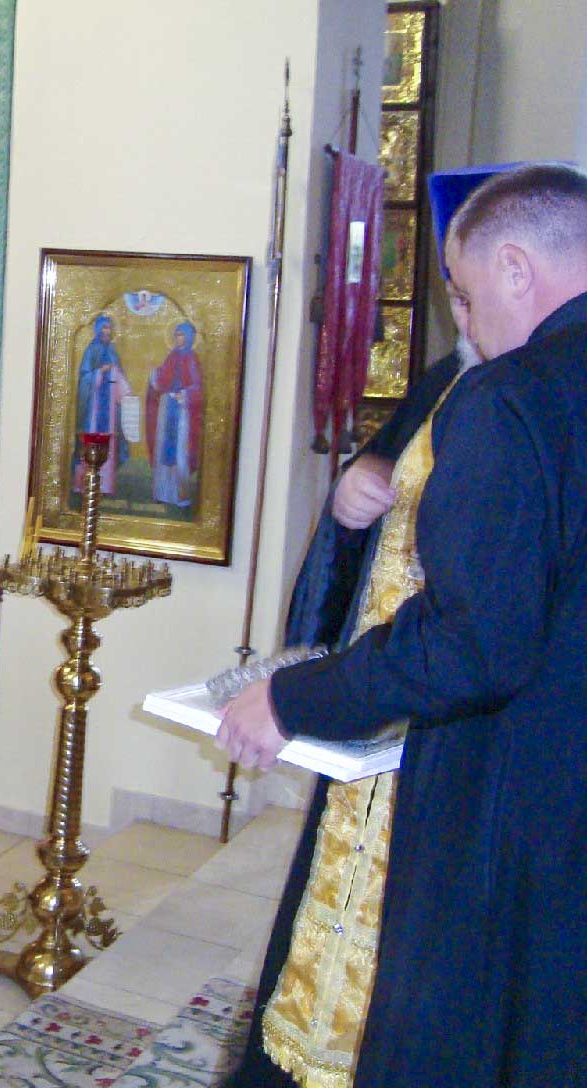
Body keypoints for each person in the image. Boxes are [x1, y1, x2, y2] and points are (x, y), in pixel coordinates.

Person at [218, 163, 587, 1087]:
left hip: (518, 799)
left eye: (463, 292)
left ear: (514, 267)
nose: (466, 322)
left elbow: (474, 644)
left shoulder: (514, 396)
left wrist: (294, 698)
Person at [145, 320, 204, 508]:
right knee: (164, 449)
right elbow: (161, 378)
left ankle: (180, 496)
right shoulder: (172, 356)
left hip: (182, 411)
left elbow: (197, 387)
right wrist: (153, 373)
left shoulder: (192, 359)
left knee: (180, 452)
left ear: (189, 338)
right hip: (167, 406)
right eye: (177, 335)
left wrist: (184, 394)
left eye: (182, 335)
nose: (178, 339)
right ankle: (162, 493)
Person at [73, 313, 131, 494]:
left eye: (109, 328)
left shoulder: (112, 351)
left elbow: (120, 378)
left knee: (109, 441)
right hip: (94, 406)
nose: (107, 331)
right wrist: (100, 372)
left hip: (110, 407)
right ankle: (84, 483)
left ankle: (105, 485)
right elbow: (84, 378)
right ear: (98, 329)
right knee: (91, 440)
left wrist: (116, 375)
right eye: (104, 328)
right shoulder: (91, 350)